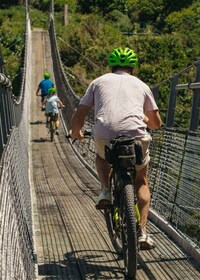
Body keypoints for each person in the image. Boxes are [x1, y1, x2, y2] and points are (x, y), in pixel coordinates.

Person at [70, 47, 162, 250]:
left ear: (112, 67)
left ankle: (105, 191)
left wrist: (76, 131)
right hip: (137, 136)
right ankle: (143, 233)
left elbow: (80, 112)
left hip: (105, 134)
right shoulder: (142, 85)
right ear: (133, 69)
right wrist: (145, 119)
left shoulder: (98, 82)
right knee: (141, 181)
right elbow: (156, 123)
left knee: (102, 158)